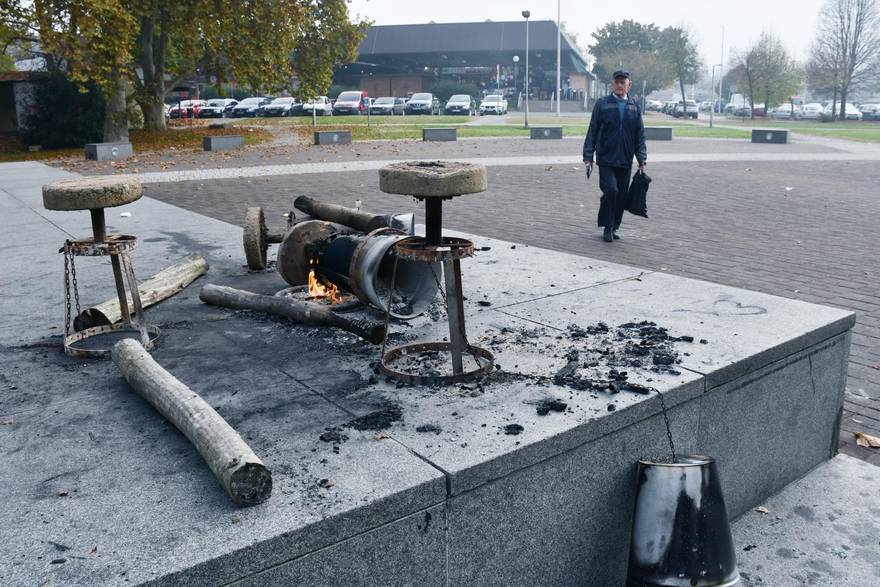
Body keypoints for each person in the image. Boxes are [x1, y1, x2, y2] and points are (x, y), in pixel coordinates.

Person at [583, 69, 647, 242]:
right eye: (617, 82)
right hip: (606, 158)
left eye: (623, 82)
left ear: (629, 85)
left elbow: (639, 134)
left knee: (620, 195)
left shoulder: (634, 106)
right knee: (611, 190)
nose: (619, 85)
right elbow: (593, 130)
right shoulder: (602, 104)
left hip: (625, 159)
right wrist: (588, 156)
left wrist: (641, 158)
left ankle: (614, 226)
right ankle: (607, 226)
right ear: (612, 84)